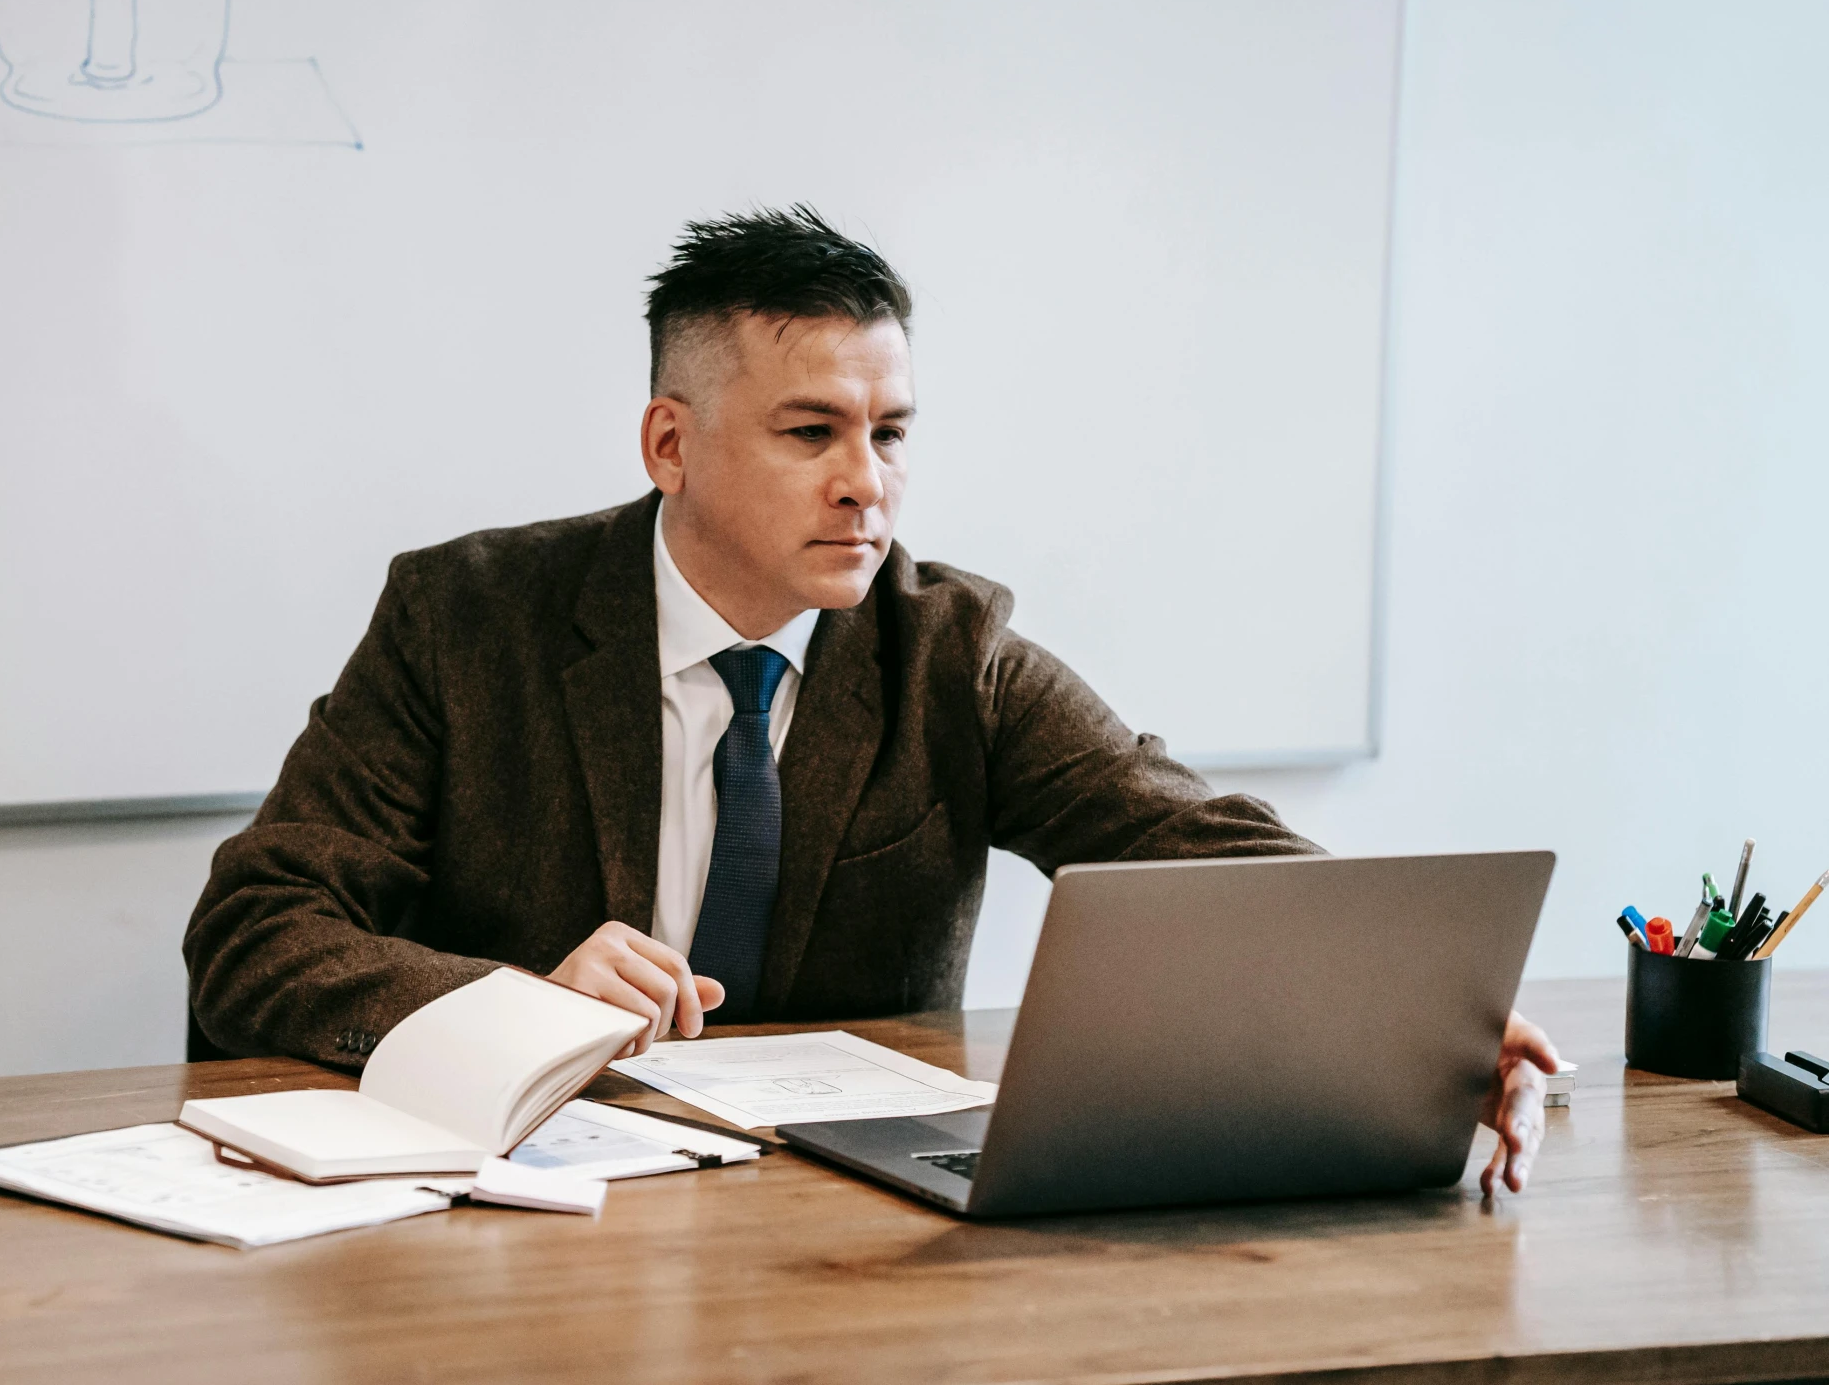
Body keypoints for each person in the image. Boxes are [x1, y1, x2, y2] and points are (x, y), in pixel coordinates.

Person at [186, 206, 1559, 1193]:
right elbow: (255, 929)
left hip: (838, 1227)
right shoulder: (463, 618)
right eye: (810, 433)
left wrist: (1430, 1006)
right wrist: (514, 1003)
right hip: (520, 1218)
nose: (868, 483)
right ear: (670, 441)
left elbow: (1190, 846)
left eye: (889, 433)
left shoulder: (946, 645)